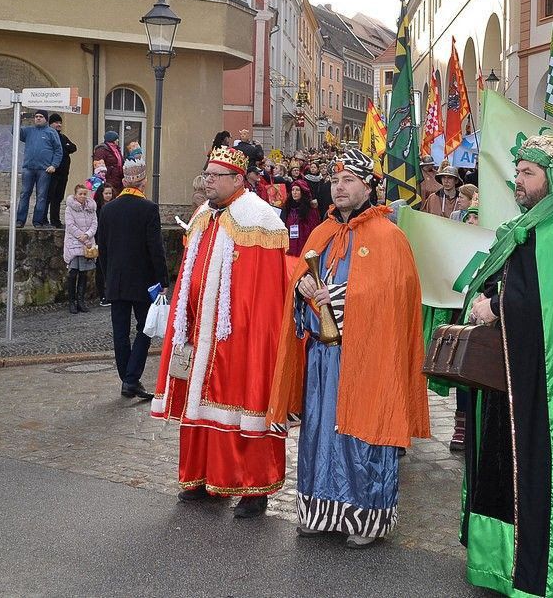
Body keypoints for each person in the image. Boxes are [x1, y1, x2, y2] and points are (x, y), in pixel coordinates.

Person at [460, 134, 553, 596]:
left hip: (545, 380)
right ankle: (497, 563)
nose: (519, 180)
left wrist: (496, 306)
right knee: (500, 467)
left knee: (539, 470)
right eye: (518, 171)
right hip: (509, 372)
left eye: (529, 173)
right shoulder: (528, 225)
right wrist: (484, 297)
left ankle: (538, 574)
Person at [268, 149, 430, 547]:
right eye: (336, 181)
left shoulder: (390, 237)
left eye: (349, 181)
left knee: (363, 432)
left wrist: (341, 297)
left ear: (368, 187)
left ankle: (366, 516)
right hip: (322, 359)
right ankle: (320, 511)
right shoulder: (320, 233)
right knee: (319, 433)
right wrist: (302, 289)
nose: (339, 188)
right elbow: (298, 287)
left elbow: (397, 300)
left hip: (369, 358)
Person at [150, 146, 289, 518]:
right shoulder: (203, 215)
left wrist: (253, 336)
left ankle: (253, 488)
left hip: (239, 336)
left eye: (215, 175)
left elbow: (265, 292)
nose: (207, 180)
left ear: (238, 179)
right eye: (207, 174)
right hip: (200, 333)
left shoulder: (259, 220)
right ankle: (202, 478)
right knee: (198, 404)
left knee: (244, 406)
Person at [98, 159, 168, 399]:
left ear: (124, 181)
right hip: (143, 280)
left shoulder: (108, 209)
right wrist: (163, 280)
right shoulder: (148, 208)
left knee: (120, 331)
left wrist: (107, 277)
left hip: (116, 279)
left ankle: (127, 378)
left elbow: (103, 249)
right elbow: (155, 248)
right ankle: (131, 378)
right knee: (145, 328)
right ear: (144, 182)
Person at [15, 110, 62, 228]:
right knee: (24, 194)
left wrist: (54, 165)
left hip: (44, 170)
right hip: (28, 168)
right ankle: (20, 220)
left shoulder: (51, 132)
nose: (38, 118)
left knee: (41, 196)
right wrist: (19, 119)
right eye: (36, 116)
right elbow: (14, 132)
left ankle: (37, 221)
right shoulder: (28, 131)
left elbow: (58, 150)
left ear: (46, 119)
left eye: (41, 116)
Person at [63, 184, 98, 314]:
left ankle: (80, 301)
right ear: (75, 195)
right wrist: (82, 237)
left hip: (86, 244)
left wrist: (87, 235)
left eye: (84, 194)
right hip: (74, 243)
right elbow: (70, 225)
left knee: (83, 273)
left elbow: (94, 224)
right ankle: (71, 302)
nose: (82, 196)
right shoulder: (69, 209)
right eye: (80, 194)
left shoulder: (91, 208)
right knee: (73, 273)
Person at [46, 113, 78, 229]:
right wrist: (65, 147)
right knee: (49, 197)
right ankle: (44, 220)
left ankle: (56, 221)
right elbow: (59, 150)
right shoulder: (48, 136)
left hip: (63, 173)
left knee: (58, 197)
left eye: (60, 123)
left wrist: (66, 146)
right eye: (56, 123)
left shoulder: (63, 137)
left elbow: (73, 147)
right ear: (50, 124)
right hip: (52, 172)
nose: (59, 125)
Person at [280, 179, 320, 257]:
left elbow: (314, 229)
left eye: (297, 190)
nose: (294, 192)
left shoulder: (310, 209)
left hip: (305, 245)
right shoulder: (288, 207)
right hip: (291, 243)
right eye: (293, 190)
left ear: (303, 192)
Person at [93, 184, 116, 306]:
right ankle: (102, 294)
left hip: (112, 240)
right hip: (100, 240)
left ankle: (111, 293)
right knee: (100, 269)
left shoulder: (115, 207)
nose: (108, 196)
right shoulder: (97, 208)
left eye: (110, 193)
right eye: (106, 193)